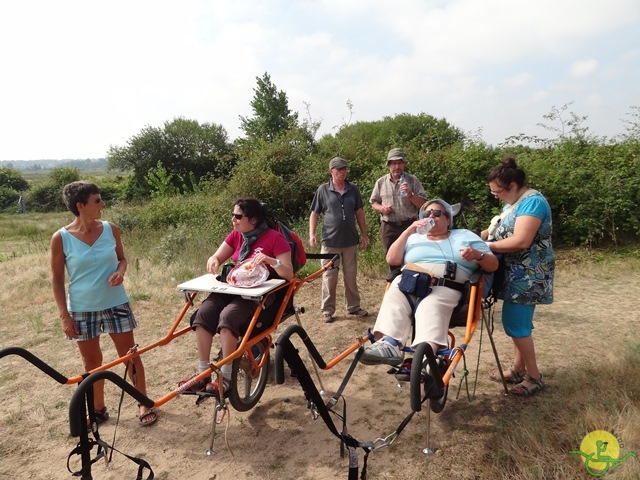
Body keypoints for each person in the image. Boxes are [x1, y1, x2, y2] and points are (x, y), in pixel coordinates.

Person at [50, 181, 157, 426]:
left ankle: (143, 402)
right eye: (97, 200)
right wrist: (64, 316)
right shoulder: (61, 238)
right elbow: (56, 280)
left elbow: (122, 259)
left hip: (115, 303)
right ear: (80, 205)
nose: (103, 204)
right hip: (81, 308)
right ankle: (98, 409)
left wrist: (121, 271)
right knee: (91, 363)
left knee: (129, 355)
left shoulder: (111, 229)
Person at [360, 199, 498, 365]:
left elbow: (493, 265)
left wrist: (477, 255)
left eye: (437, 213)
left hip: (445, 283)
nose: (431, 215)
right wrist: (409, 230)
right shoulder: (413, 238)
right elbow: (392, 259)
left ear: (448, 220)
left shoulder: (464, 235)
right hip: (409, 281)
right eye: (426, 213)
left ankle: (427, 355)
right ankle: (390, 344)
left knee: (431, 304)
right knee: (395, 296)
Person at [180, 197, 294, 395]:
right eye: (233, 215)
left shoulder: (274, 238)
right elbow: (217, 256)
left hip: (257, 295)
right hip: (233, 288)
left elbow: (289, 273)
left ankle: (226, 376)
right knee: (203, 314)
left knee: (228, 318)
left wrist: (270, 261)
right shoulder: (236, 235)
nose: (233, 219)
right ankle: (202, 372)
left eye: (238, 216)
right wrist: (213, 260)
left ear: (254, 220)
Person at [482, 156, 554, 397]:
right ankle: (517, 369)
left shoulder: (532, 203)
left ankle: (534, 377)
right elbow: (502, 230)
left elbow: (522, 240)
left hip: (528, 275)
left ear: (512, 186)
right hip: (516, 273)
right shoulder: (514, 202)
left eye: (497, 192)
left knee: (516, 325)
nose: (496, 196)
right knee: (519, 325)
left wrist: (487, 248)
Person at [309, 157, 369, 323]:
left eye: (344, 169)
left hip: (350, 241)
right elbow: (314, 213)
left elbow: (360, 213)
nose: (342, 172)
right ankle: (327, 310)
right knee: (329, 277)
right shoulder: (323, 190)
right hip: (329, 242)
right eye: (339, 169)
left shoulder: (353, 190)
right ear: (331, 171)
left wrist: (364, 235)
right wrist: (311, 234)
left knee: (351, 276)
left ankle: (354, 307)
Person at [370, 148, 427, 270]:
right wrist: (382, 208)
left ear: (404, 164)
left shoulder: (413, 180)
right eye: (394, 163)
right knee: (393, 261)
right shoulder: (381, 182)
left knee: (412, 258)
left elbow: (423, 205)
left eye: (399, 163)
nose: (397, 167)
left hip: (410, 225)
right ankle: (395, 286)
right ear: (388, 165)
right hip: (389, 228)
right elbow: (373, 202)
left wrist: (410, 195)